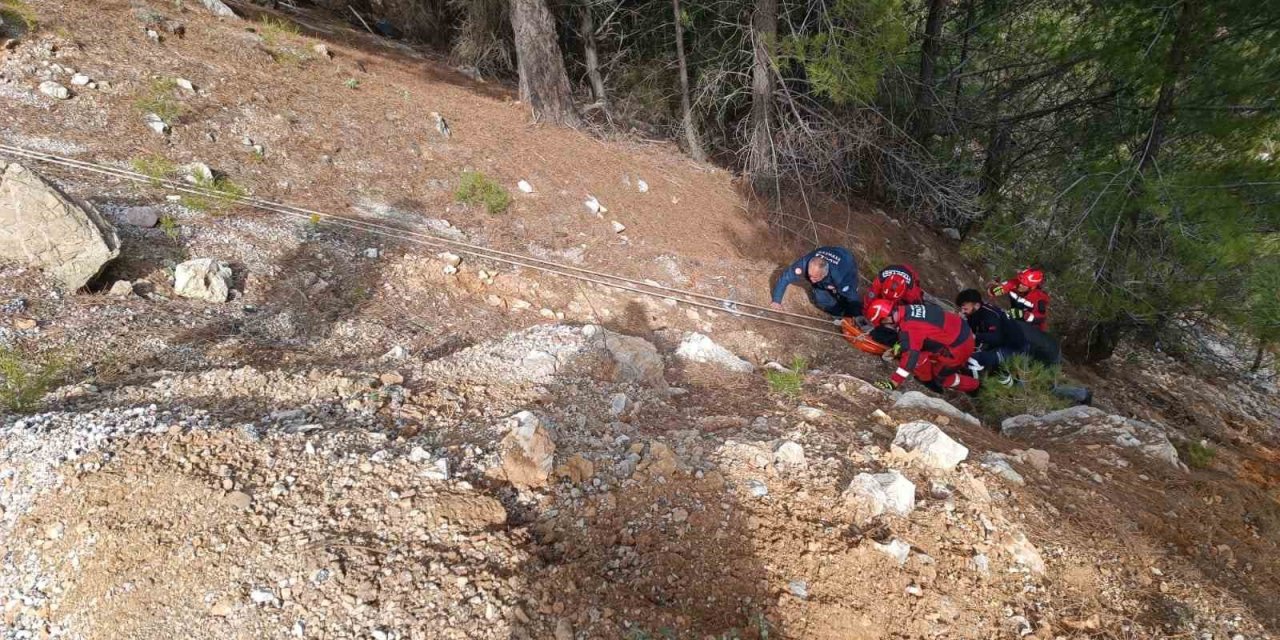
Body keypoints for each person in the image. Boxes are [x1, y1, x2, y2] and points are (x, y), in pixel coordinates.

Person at [865, 299, 980, 394]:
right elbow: (921, 334)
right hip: (959, 331)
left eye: (883, 324)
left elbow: (910, 358)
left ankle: (975, 386)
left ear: (885, 319)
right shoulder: (908, 309)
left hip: (960, 346)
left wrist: (893, 383)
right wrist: (899, 347)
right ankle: (931, 376)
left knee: (941, 378)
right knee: (922, 356)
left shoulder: (909, 327)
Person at [770, 246, 861, 318]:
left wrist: (856, 316)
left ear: (824, 275)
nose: (811, 280)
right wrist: (776, 300)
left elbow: (852, 297)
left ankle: (848, 314)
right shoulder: (804, 263)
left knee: (845, 296)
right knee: (821, 299)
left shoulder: (840, 275)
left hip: (846, 261)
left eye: (815, 277)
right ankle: (838, 313)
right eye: (809, 275)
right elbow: (785, 277)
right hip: (830, 252)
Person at [956, 288, 1027, 373]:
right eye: (962, 309)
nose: (963, 311)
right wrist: (962, 321)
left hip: (1013, 349)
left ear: (976, 305)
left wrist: (976, 336)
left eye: (965, 309)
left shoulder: (989, 315)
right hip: (998, 344)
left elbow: (996, 338)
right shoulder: (975, 312)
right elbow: (972, 329)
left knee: (973, 359)